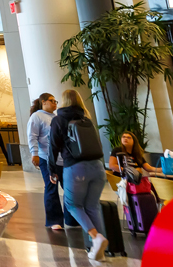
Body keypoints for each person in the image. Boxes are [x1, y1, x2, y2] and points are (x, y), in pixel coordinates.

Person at [49, 89, 109, 262]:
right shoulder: (86, 120)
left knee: (73, 204)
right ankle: (98, 250)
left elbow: (53, 146)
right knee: (92, 206)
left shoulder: (58, 120)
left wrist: (52, 170)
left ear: (63, 101)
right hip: (97, 167)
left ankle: (96, 238)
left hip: (75, 168)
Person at [26, 92, 76, 232]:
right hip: (46, 157)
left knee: (69, 187)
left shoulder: (56, 117)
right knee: (51, 187)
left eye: (56, 101)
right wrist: (34, 154)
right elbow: (32, 136)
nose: (55, 103)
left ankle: (71, 218)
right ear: (43, 102)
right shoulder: (37, 116)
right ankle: (54, 220)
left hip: (61, 158)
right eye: (52, 101)